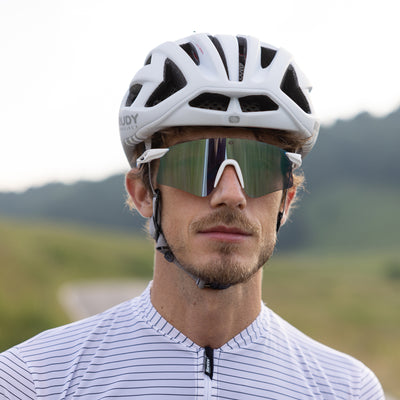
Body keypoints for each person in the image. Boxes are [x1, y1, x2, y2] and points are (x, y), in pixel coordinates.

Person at [0, 33, 384, 399]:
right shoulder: (33, 381)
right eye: (197, 164)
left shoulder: (346, 390)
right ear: (143, 193)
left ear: (286, 199)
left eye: (261, 167)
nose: (231, 195)